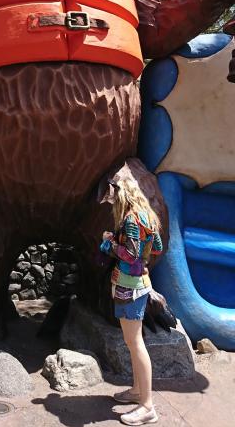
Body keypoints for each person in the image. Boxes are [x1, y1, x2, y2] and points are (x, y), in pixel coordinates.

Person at [100, 177, 163, 425]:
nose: (111, 200)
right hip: (140, 283)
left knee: (135, 343)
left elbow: (131, 254)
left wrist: (110, 244)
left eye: (112, 195)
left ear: (121, 193)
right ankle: (138, 391)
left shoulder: (130, 219)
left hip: (130, 285)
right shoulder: (147, 215)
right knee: (133, 341)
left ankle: (147, 406)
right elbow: (156, 247)